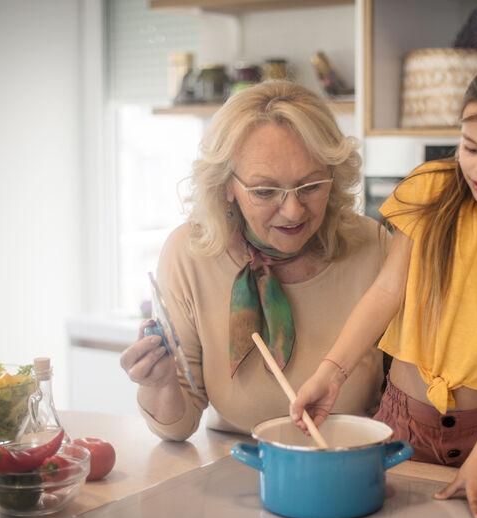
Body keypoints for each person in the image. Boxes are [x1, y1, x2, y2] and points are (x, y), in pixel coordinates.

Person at [291, 57, 477, 518]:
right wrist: (331, 373)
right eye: (470, 147)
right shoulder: (429, 189)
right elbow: (385, 293)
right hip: (401, 426)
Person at [120, 80, 387, 441]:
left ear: (335, 175)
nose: (293, 211)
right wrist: (160, 382)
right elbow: (177, 428)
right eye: (264, 191)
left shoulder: (374, 249)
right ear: (227, 186)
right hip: (231, 464)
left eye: (310, 187)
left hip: (343, 461)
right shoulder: (191, 254)